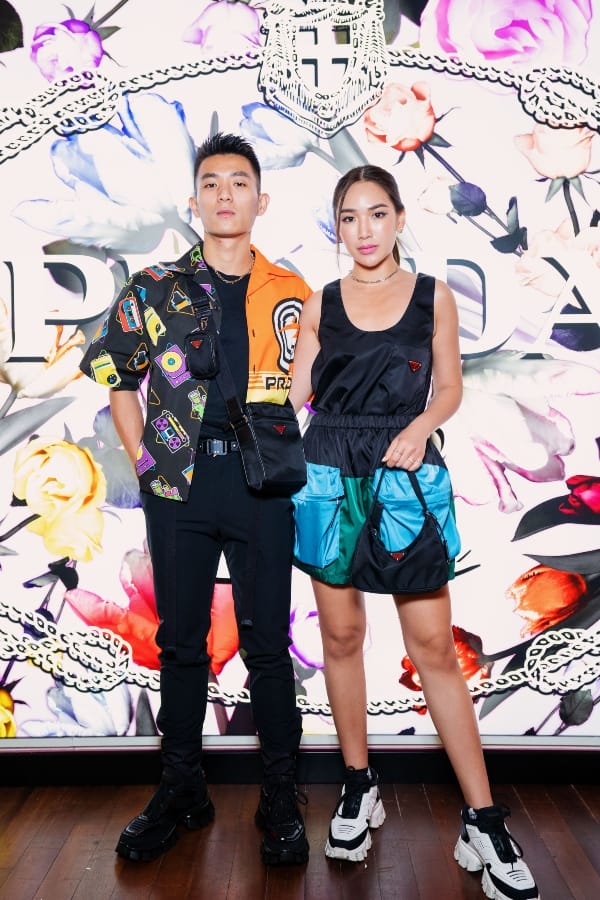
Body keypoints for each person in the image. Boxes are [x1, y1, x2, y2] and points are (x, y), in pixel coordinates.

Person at [289, 165, 539, 900]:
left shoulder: (434, 295)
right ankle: (358, 785)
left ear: (399, 218)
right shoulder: (322, 300)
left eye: (376, 214)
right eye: (349, 217)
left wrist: (421, 426)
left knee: (433, 647)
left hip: (404, 469)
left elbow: (450, 387)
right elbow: (296, 389)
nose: (363, 230)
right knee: (340, 638)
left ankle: (483, 819)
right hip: (329, 468)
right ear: (338, 227)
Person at [80, 132, 312, 866]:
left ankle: (281, 796)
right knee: (181, 644)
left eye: (238, 182)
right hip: (179, 486)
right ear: (194, 200)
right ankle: (181, 789)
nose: (224, 194)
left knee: (268, 647)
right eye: (211, 183)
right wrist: (146, 460)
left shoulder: (293, 291)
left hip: (260, 484)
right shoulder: (154, 287)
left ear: (260, 200)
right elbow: (116, 375)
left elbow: (311, 384)